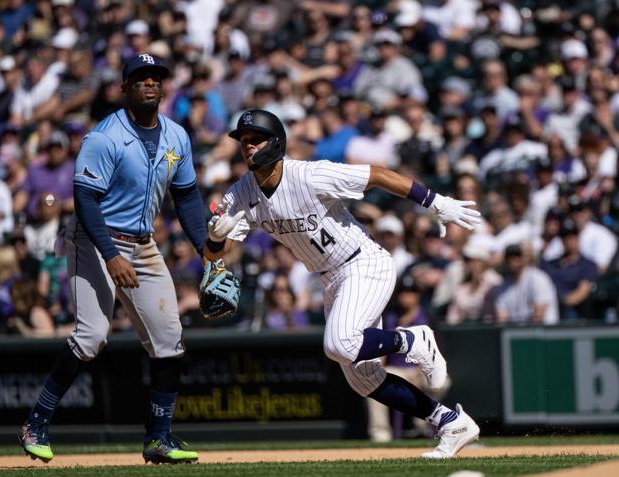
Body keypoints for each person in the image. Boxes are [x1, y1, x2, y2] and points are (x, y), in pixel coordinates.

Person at [204, 109, 482, 458]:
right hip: (330, 278)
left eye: (255, 139)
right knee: (363, 379)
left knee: (339, 344)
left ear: (276, 143)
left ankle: (412, 339)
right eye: (243, 141)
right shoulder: (241, 193)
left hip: (363, 262)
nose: (247, 147)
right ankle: (450, 422)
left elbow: (378, 175)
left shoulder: (309, 174)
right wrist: (214, 239)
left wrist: (435, 202)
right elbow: (213, 254)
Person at [18, 54, 207, 465]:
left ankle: (159, 438)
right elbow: (85, 199)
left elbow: (188, 196)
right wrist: (109, 255)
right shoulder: (104, 136)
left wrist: (206, 250)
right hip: (93, 239)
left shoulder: (177, 136)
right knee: (92, 334)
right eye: (140, 78)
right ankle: (37, 422)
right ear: (124, 88)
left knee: (169, 341)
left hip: (143, 244)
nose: (149, 83)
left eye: (156, 77)